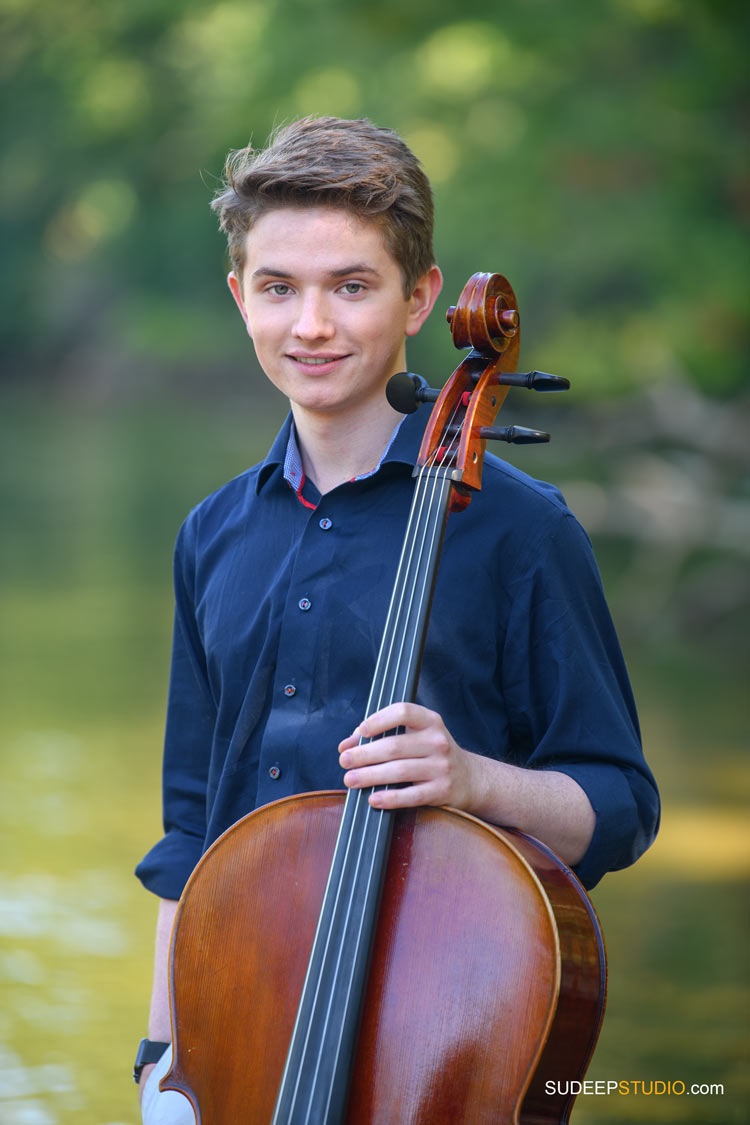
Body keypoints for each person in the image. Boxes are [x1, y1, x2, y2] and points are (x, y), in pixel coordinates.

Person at [134, 116, 659, 1121]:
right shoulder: (211, 535)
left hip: (440, 1043)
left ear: (421, 297)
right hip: (234, 1042)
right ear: (241, 295)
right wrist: (165, 1065)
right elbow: (191, 828)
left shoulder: (521, 531)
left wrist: (474, 781)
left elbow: (623, 804)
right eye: (281, 288)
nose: (312, 326)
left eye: (353, 286)